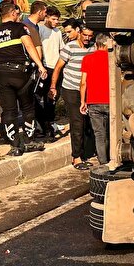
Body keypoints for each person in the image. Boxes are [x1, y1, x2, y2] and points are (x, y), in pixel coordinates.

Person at [0, 0, 46, 156]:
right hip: (19, 74)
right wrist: (40, 66)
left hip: (1, 75)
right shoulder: (20, 27)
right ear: (13, 13)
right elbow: (29, 46)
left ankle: (15, 145)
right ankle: (29, 141)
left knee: (9, 111)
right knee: (27, 107)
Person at [49, 20, 96, 168]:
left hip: (86, 89)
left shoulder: (93, 48)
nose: (87, 38)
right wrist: (53, 87)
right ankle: (76, 157)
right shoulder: (70, 47)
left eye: (90, 36)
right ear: (80, 33)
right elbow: (58, 68)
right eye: (85, 35)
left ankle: (85, 153)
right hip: (70, 89)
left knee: (87, 122)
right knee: (77, 122)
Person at [79, 33, 111, 166]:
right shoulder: (113, 59)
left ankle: (103, 162)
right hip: (111, 102)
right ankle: (113, 158)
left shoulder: (87, 59)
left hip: (93, 102)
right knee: (112, 132)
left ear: (96, 44)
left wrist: (83, 101)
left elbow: (83, 83)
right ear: (107, 44)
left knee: (99, 134)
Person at [35, 5, 62, 139]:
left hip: (56, 68)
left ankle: (50, 125)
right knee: (39, 98)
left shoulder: (58, 32)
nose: (56, 22)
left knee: (51, 99)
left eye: (57, 19)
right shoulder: (39, 29)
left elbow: (60, 49)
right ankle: (41, 126)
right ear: (46, 17)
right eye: (53, 19)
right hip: (44, 67)